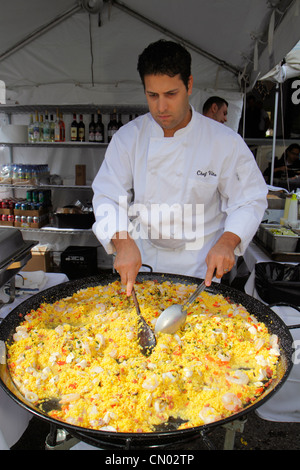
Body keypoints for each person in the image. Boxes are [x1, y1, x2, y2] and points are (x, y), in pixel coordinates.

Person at [92, 39, 268, 296]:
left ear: (189, 85)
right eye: (153, 95)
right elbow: (107, 194)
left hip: (200, 265)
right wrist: (122, 242)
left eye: (171, 94)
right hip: (142, 260)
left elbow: (249, 199)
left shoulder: (223, 141)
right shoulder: (128, 138)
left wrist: (229, 242)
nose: (161, 107)